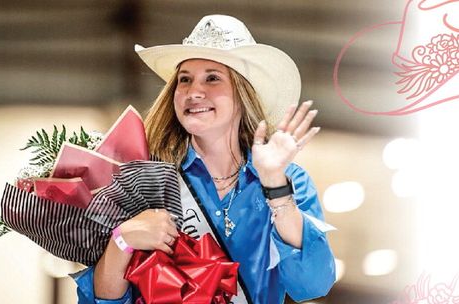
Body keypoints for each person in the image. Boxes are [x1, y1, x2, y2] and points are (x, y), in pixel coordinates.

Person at [73, 14, 336, 304]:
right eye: (184, 80)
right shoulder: (143, 176)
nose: (193, 92)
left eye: (212, 78)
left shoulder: (290, 180)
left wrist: (274, 184)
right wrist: (121, 240)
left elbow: (312, 283)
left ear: (243, 91)